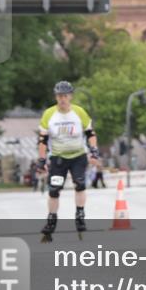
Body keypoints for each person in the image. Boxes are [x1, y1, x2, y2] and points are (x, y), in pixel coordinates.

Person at [37, 81, 99, 240]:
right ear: (56, 97)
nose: (62, 99)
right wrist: (42, 160)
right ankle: (51, 221)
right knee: (54, 190)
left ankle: (80, 216)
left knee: (80, 184)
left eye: (65, 96)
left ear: (70, 96)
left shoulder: (79, 112)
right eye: (59, 96)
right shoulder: (49, 114)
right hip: (58, 158)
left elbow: (90, 134)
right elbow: (43, 140)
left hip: (78, 156)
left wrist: (94, 151)